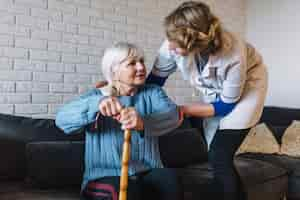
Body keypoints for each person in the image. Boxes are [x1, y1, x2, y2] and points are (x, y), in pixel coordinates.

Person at [146, 1, 268, 200]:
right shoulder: (172, 42)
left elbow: (226, 105)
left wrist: (182, 110)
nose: (169, 47)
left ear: (195, 44)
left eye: (176, 46)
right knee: (217, 157)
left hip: (249, 88)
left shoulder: (232, 52)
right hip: (218, 94)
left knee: (219, 156)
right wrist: (121, 92)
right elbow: (154, 81)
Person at [55, 42, 183, 200]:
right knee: (130, 191)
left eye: (142, 61)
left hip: (148, 171)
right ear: (113, 70)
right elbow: (62, 120)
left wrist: (143, 123)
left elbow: (173, 116)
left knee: (169, 180)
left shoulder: (153, 93)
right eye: (132, 63)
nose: (141, 67)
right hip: (104, 177)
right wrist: (97, 104)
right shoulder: (95, 96)